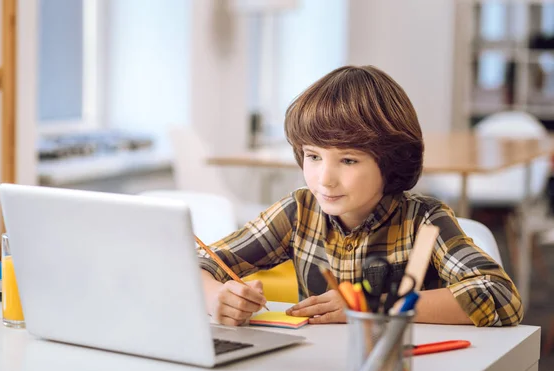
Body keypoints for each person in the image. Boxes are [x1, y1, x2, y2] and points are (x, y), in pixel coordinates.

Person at [198, 65, 523, 327]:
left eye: (349, 160)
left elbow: (499, 295)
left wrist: (370, 303)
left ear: (391, 159)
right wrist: (217, 298)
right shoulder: (299, 211)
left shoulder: (423, 220)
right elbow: (197, 264)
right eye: (313, 156)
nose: (324, 178)